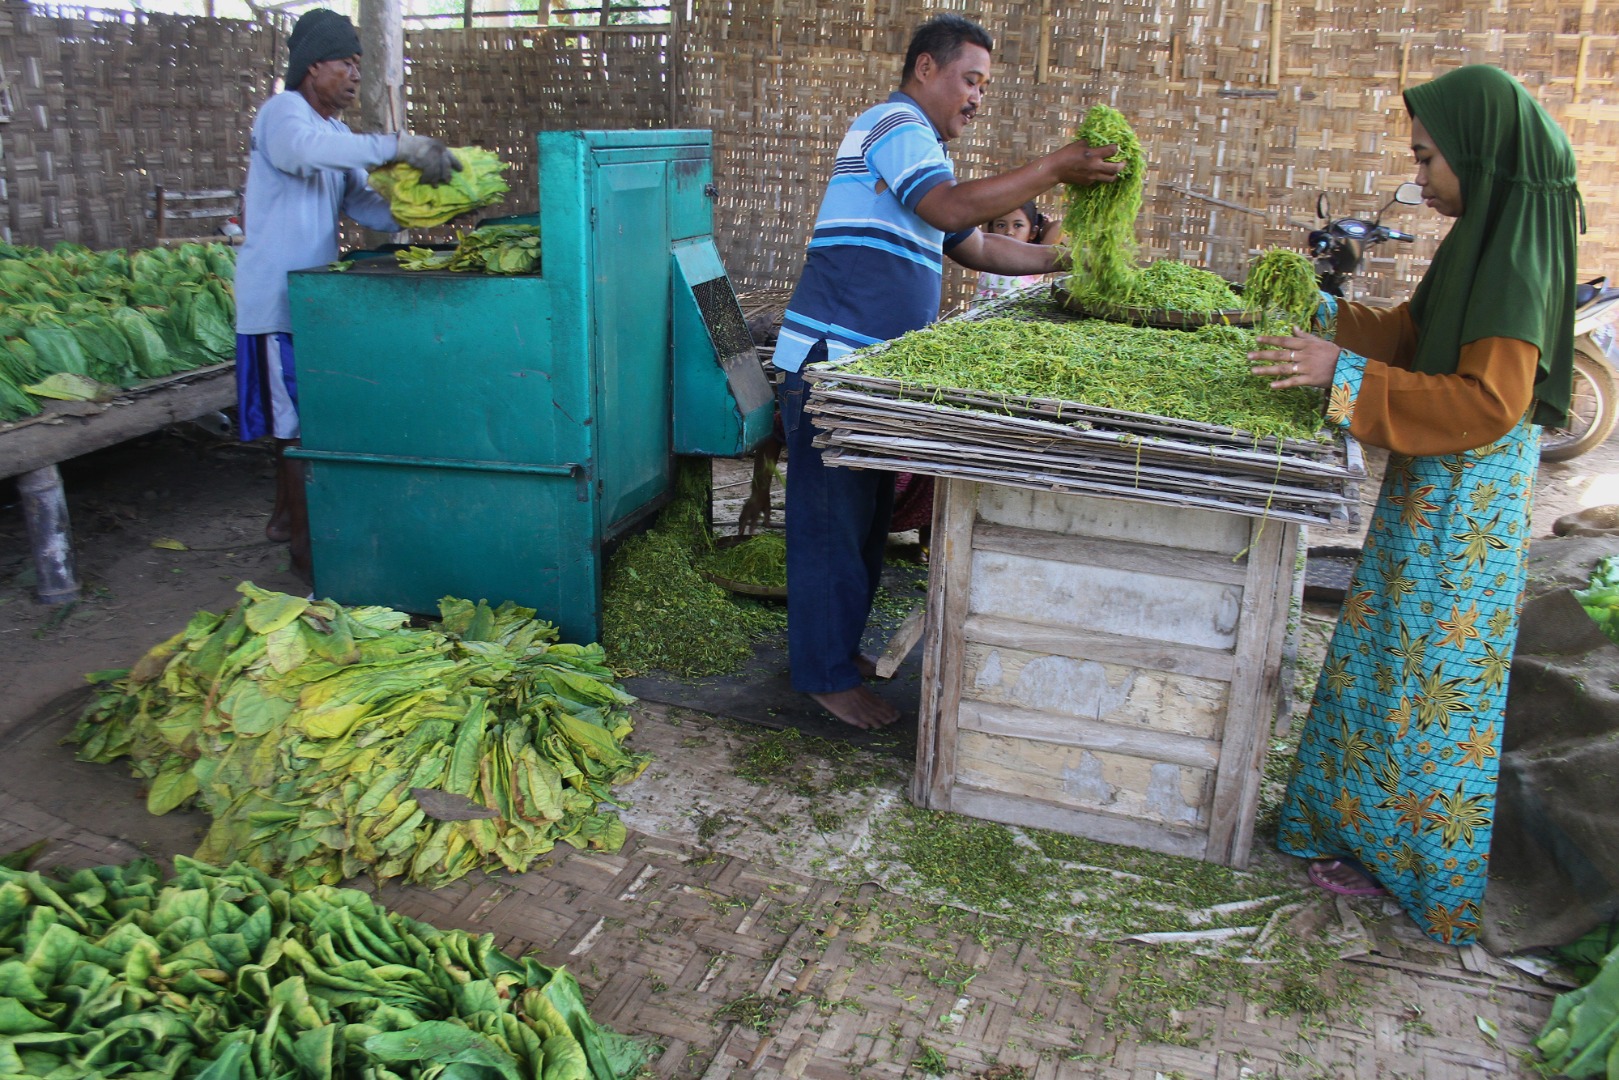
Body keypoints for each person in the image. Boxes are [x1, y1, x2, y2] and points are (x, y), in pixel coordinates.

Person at [1249, 65, 1580, 945]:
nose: (1419, 178)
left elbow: (1485, 403)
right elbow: (1408, 337)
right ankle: (1361, 834)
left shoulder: (1516, 260)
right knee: (1388, 656)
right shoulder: (1483, 240)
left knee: (1429, 681)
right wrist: (1319, 314)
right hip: (1437, 486)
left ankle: (1418, 863)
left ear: (1479, 153)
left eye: (1428, 159)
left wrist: (1341, 377)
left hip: (1464, 508)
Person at [773, 13, 1124, 730]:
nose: (977, 97)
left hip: (866, 376)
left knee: (864, 527)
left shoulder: (922, 155)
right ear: (925, 69)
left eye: (984, 87)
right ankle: (822, 675)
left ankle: (835, 654)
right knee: (829, 528)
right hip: (827, 365)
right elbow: (951, 209)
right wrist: (1055, 166)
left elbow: (982, 248)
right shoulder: (893, 124)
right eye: (970, 80)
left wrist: (1076, 263)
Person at [234, 8, 460, 579]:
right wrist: (399, 147)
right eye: (347, 63)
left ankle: (287, 522)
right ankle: (305, 552)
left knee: (301, 422)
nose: (355, 76)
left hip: (312, 302)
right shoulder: (283, 115)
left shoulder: (334, 134)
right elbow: (302, 154)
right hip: (276, 305)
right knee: (299, 428)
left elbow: (367, 207)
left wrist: (441, 203)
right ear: (313, 68)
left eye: (360, 65)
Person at [972, 200, 1062, 301]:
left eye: (1018, 225)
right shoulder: (988, 256)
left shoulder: (1031, 263)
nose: (1009, 232)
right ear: (992, 230)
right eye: (1001, 225)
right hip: (977, 316)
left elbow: (1058, 226)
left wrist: (1045, 225)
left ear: (1033, 232)